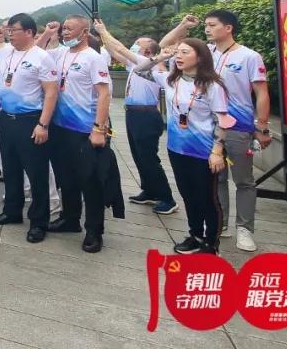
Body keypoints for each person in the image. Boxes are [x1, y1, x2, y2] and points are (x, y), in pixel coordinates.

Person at [161, 10, 270, 252]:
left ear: (228, 28)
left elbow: (261, 92)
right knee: (215, 181)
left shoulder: (249, 56)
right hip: (206, 129)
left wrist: (262, 126)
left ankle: (245, 228)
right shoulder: (205, 52)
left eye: (212, 25)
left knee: (243, 180)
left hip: (238, 127)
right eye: (206, 25)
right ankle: (220, 226)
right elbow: (165, 45)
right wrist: (183, 26)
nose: (207, 29)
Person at [134, 39, 230, 254]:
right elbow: (140, 71)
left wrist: (217, 150)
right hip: (177, 149)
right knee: (188, 194)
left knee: (207, 198)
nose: (179, 56)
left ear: (200, 57)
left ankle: (211, 243)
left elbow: (222, 120)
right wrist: (160, 57)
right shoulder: (171, 80)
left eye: (185, 52)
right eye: (177, 52)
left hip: (204, 152)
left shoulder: (213, 85)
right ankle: (195, 234)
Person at [0, 13, 59, 242]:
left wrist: (43, 124)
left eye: (14, 30)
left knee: (36, 173)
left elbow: (51, 92)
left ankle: (39, 222)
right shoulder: (5, 52)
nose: (10, 34)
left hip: (30, 120)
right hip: (6, 118)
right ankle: (12, 211)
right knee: (11, 169)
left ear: (29, 32)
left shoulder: (41, 57)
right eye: (8, 30)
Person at [38, 16, 114, 253]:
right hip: (60, 128)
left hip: (85, 131)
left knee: (90, 181)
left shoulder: (93, 58)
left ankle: (94, 230)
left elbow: (104, 94)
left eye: (70, 29)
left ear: (85, 32)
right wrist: (48, 34)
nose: (65, 33)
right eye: (64, 29)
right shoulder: (59, 53)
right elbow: (34, 52)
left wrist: (98, 129)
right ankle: (70, 219)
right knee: (66, 177)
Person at [95, 19, 177, 215]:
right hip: (133, 114)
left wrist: (103, 30)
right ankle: (149, 191)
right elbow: (115, 51)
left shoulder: (149, 64)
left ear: (148, 52)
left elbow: (120, 48)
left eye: (138, 44)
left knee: (148, 158)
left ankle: (167, 198)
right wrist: (103, 37)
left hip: (146, 115)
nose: (134, 45)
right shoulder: (135, 64)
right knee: (138, 156)